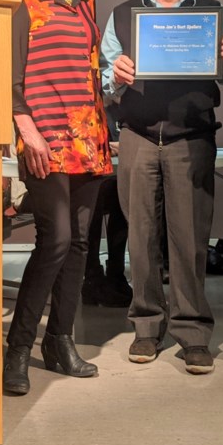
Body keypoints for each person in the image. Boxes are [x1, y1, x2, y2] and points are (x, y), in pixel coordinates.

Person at [101, 0, 223, 375]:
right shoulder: (122, 15)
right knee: (141, 241)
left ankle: (194, 334)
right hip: (139, 140)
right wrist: (116, 77)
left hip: (192, 139)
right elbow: (105, 87)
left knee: (189, 241)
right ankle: (146, 328)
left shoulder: (213, 13)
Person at [3, 0, 114, 395]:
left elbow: (88, 69)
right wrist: (27, 133)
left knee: (83, 244)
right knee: (56, 241)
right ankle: (18, 350)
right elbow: (8, 78)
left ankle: (61, 342)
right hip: (44, 137)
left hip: (89, 136)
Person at [81, 104, 132, 308]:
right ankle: (93, 276)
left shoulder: (119, 107)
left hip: (114, 177)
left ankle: (115, 274)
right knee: (93, 197)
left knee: (124, 196)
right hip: (86, 176)